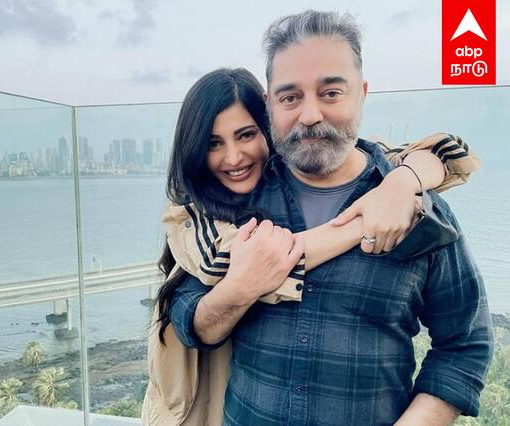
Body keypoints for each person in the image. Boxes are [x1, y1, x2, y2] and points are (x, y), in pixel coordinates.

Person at [163, 10, 493, 426]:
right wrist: (239, 289)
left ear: (362, 93)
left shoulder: (418, 208)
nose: (310, 115)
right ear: (269, 105)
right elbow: (189, 317)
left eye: (331, 93)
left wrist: (405, 180)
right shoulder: (236, 201)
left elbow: (464, 346)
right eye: (290, 97)